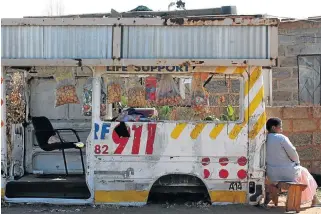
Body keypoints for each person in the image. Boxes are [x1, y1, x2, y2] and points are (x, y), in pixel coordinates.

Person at [266, 117, 320, 207]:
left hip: (271, 174)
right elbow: (293, 153)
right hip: (286, 174)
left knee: (302, 172)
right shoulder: (281, 138)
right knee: (304, 172)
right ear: (273, 128)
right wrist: (297, 163)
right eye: (280, 127)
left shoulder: (264, 138)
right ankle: (314, 200)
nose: (282, 129)